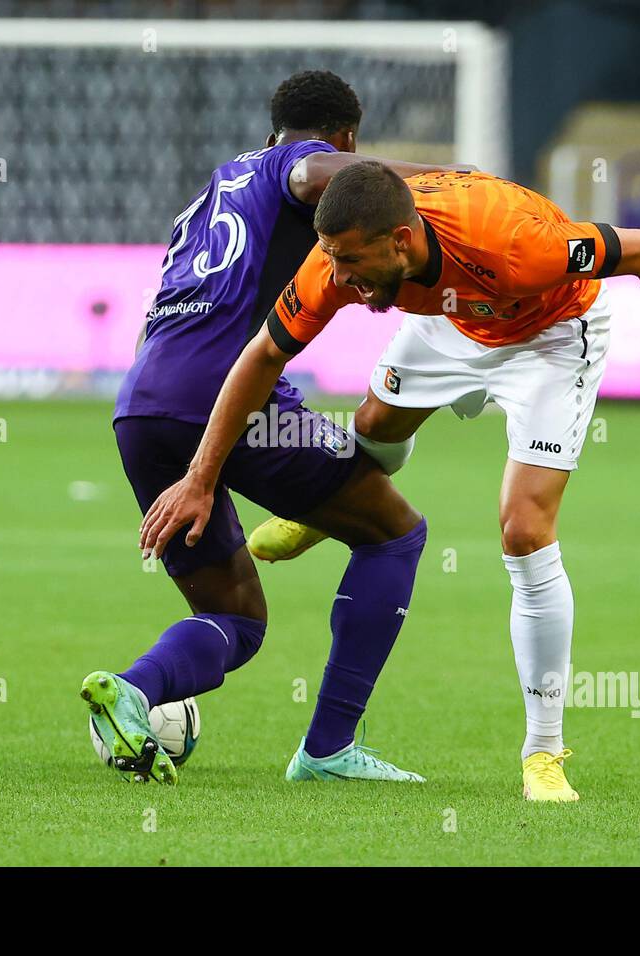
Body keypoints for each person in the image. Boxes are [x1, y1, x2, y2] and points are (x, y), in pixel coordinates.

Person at [139, 162, 640, 801]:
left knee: (525, 531)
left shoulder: (515, 246)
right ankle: (321, 511)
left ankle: (544, 754)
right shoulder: (340, 257)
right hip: (450, 321)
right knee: (373, 423)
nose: (341, 279)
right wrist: (202, 475)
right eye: (332, 260)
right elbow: (263, 355)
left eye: (352, 263)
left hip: (551, 335)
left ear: (401, 240)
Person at [86, 72, 463, 785]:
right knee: (394, 532)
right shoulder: (298, 165)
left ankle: (133, 691)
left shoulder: (209, 195)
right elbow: (315, 171)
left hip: (143, 405)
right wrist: (456, 182)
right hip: (233, 400)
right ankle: (328, 750)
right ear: (347, 140)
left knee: (237, 621)